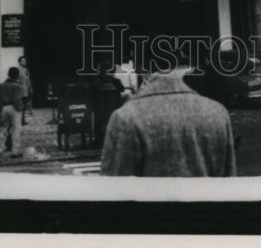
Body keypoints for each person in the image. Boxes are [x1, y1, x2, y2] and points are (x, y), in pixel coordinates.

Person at [100, 62, 237, 176]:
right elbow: (229, 183)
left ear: (142, 69)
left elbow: (114, 188)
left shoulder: (126, 118)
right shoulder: (217, 112)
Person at [0, 67, 22, 159]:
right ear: (17, 75)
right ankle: (15, 151)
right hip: (13, 107)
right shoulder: (17, 86)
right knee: (15, 130)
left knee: (3, 130)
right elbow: (16, 99)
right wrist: (20, 108)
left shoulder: (1, 85)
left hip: (4, 108)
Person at [17, 56, 33, 125]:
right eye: (23, 61)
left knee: (24, 106)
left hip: (26, 90)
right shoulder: (17, 70)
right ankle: (18, 120)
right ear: (19, 62)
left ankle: (22, 120)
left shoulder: (26, 70)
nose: (24, 62)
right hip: (20, 90)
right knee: (20, 106)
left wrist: (30, 88)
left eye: (25, 61)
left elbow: (28, 80)